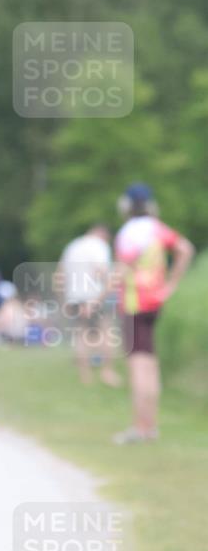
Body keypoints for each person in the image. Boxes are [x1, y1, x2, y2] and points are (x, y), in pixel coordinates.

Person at [113, 183, 194, 444]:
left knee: (138, 367)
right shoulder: (157, 229)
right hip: (155, 304)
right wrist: (170, 284)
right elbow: (185, 249)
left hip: (134, 303)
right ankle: (151, 426)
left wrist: (97, 297)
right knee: (150, 364)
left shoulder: (128, 233)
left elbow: (122, 270)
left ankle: (140, 427)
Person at [57, 224, 121, 386]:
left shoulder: (72, 246)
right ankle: (108, 372)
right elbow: (101, 271)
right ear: (103, 235)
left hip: (75, 297)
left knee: (81, 335)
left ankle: (85, 376)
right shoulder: (99, 246)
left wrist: (64, 300)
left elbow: (59, 274)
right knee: (106, 332)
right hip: (95, 296)